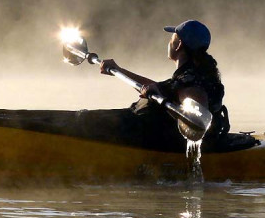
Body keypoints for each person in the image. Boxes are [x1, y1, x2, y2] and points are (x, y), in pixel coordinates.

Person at [98, 20, 228, 152]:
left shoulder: (191, 82)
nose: (169, 42)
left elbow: (197, 117)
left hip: (171, 144)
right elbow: (159, 88)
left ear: (179, 44)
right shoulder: (191, 75)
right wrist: (119, 70)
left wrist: (161, 97)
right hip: (167, 139)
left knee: (99, 123)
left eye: (172, 38)